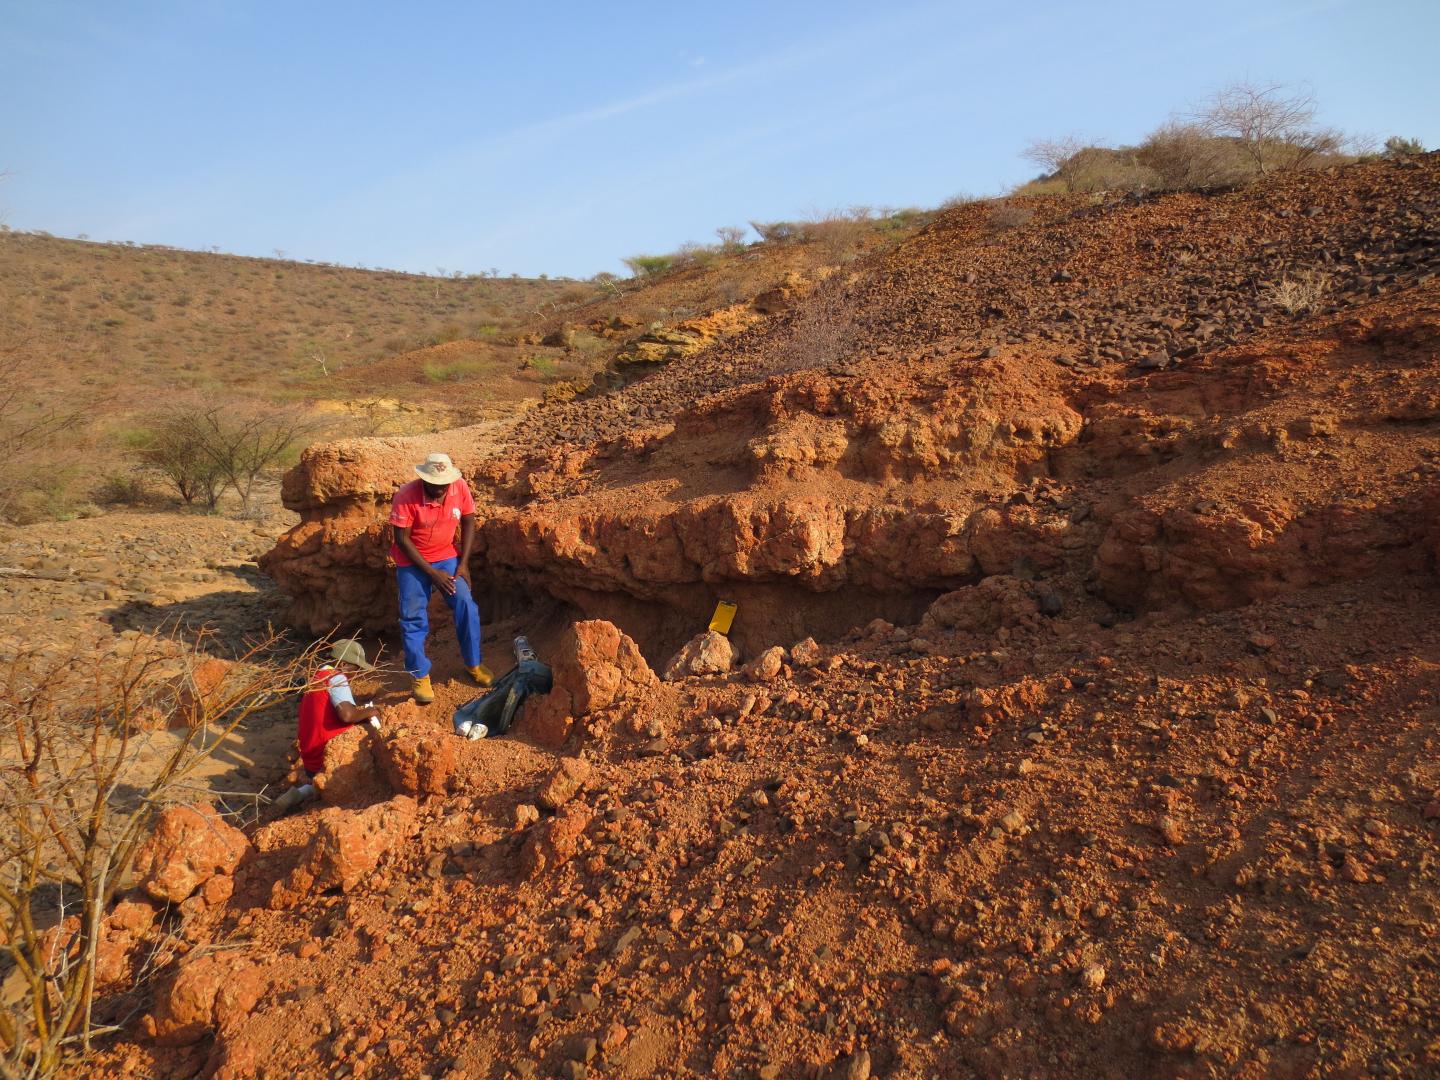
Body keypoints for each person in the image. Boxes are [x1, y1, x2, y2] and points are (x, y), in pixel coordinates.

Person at [390, 452, 492, 704]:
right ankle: (420, 674)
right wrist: (433, 574)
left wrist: (464, 563)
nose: (439, 490)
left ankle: (473, 664)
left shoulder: (459, 488)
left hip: (446, 556)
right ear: (424, 480)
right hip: (412, 561)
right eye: (434, 485)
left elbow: (469, 521)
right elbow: (402, 540)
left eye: (443, 485)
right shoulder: (406, 496)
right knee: (413, 617)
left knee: (466, 605)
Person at [273, 638, 382, 814]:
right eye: (357, 668)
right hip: (324, 757)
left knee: (319, 780)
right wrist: (370, 712)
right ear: (344, 664)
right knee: (368, 741)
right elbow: (347, 715)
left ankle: (304, 792)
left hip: (310, 757)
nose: (358, 674)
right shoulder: (337, 678)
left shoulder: (317, 676)